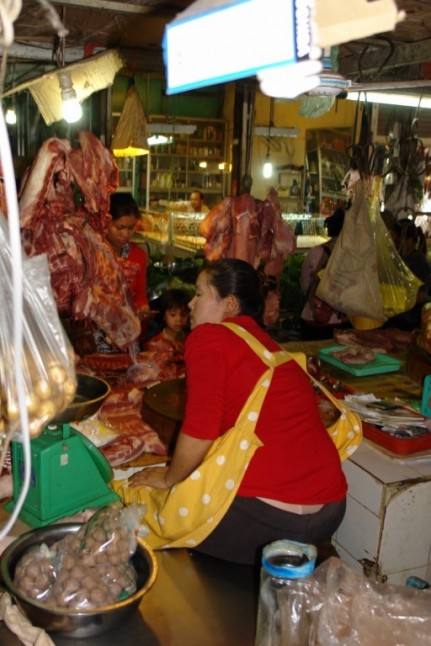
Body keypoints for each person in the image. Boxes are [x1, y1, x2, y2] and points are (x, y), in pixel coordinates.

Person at [116, 258, 348, 565]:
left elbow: (201, 430)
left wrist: (171, 478)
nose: (190, 303)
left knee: (137, 504)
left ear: (229, 303)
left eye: (199, 294)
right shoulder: (270, 347)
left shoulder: (209, 336)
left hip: (269, 522)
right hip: (329, 511)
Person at [299, 207, 350, 340]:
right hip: (339, 320)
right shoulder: (351, 256)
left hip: (312, 316)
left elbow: (304, 284)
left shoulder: (316, 251)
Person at [383, 219, 431, 330]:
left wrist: (395, 297)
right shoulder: (393, 258)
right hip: (388, 315)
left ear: (413, 241)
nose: (396, 245)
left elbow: (421, 296)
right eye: (394, 241)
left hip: (406, 321)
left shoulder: (421, 263)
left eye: (399, 242)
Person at [143, 288, 190, 379]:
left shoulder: (192, 339)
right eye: (173, 315)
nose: (178, 320)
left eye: (183, 315)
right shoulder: (154, 345)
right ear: (164, 316)